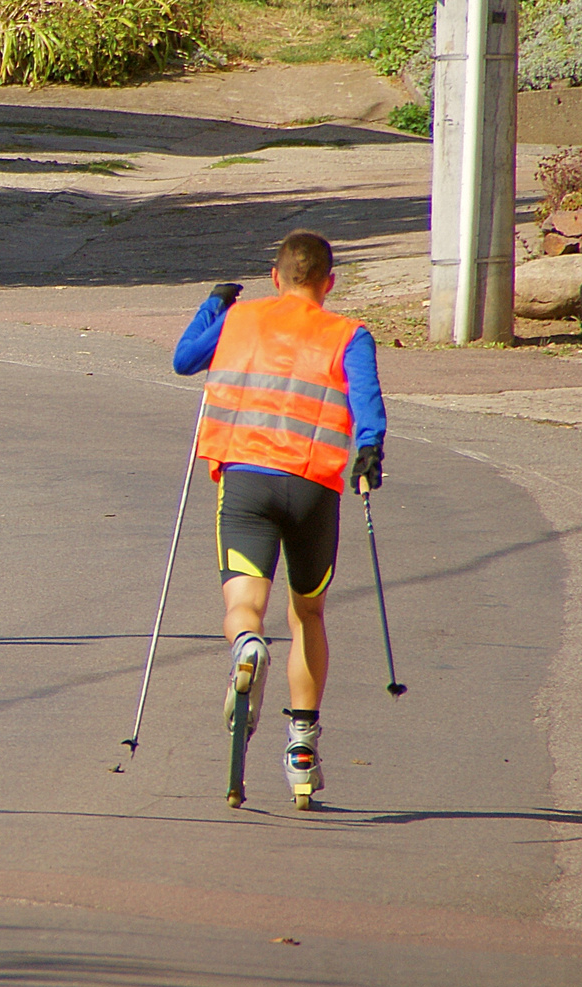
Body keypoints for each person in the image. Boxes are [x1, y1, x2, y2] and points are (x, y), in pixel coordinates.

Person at [172, 230, 386, 808]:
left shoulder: (240, 320)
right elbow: (368, 405)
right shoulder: (350, 335)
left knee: (245, 606)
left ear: (275, 276)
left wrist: (215, 303)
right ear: (330, 283)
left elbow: (184, 358)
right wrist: (369, 452)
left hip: (245, 483)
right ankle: (302, 749)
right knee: (308, 614)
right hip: (313, 489)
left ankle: (246, 645)